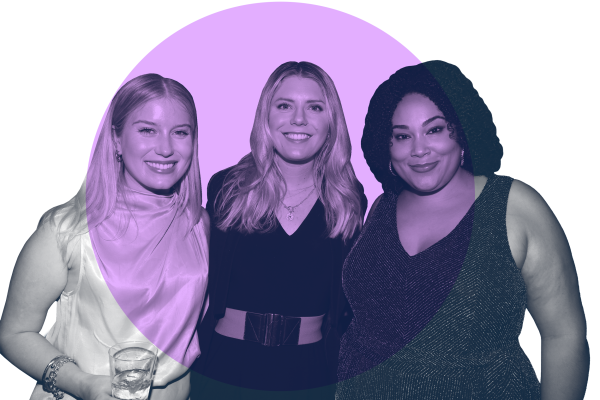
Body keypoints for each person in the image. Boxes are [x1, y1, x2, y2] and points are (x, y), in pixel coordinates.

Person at [336, 60, 590, 399]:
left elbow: (564, 335)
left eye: (434, 129)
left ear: (462, 130)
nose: (419, 149)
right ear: (388, 146)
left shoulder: (513, 206)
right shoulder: (382, 207)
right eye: (402, 136)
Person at [0, 73, 209, 400]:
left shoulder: (199, 223)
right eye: (147, 130)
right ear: (116, 140)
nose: (166, 148)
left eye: (180, 132)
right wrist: (83, 384)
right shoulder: (67, 229)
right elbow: (14, 334)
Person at [190, 61, 367, 399]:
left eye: (315, 107)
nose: (298, 119)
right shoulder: (226, 187)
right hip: (226, 368)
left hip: (310, 374)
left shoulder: (349, 199)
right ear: (266, 117)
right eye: (284, 105)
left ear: (332, 122)